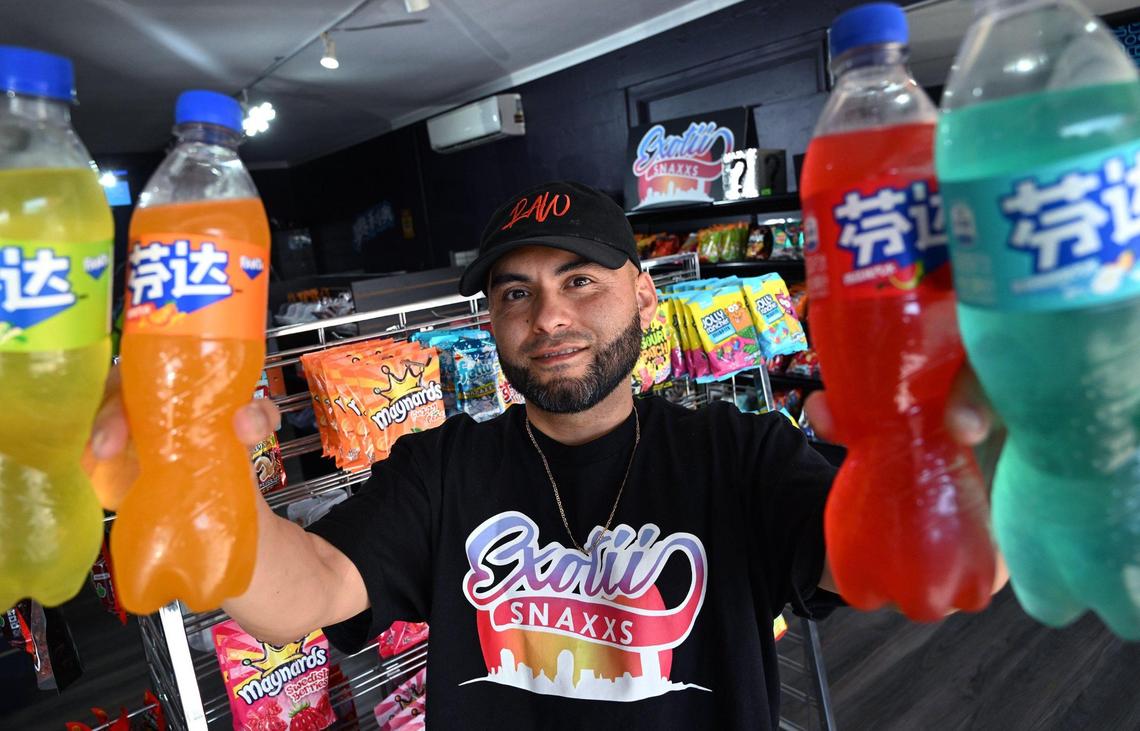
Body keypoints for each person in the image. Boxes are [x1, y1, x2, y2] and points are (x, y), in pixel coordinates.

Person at [90, 181, 1004, 729]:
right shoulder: (443, 468)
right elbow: (302, 596)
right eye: (516, 292)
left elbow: (890, 564)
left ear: (645, 296)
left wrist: (964, 446)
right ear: (490, 322)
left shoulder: (738, 453)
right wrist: (198, 476)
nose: (550, 318)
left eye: (580, 280)